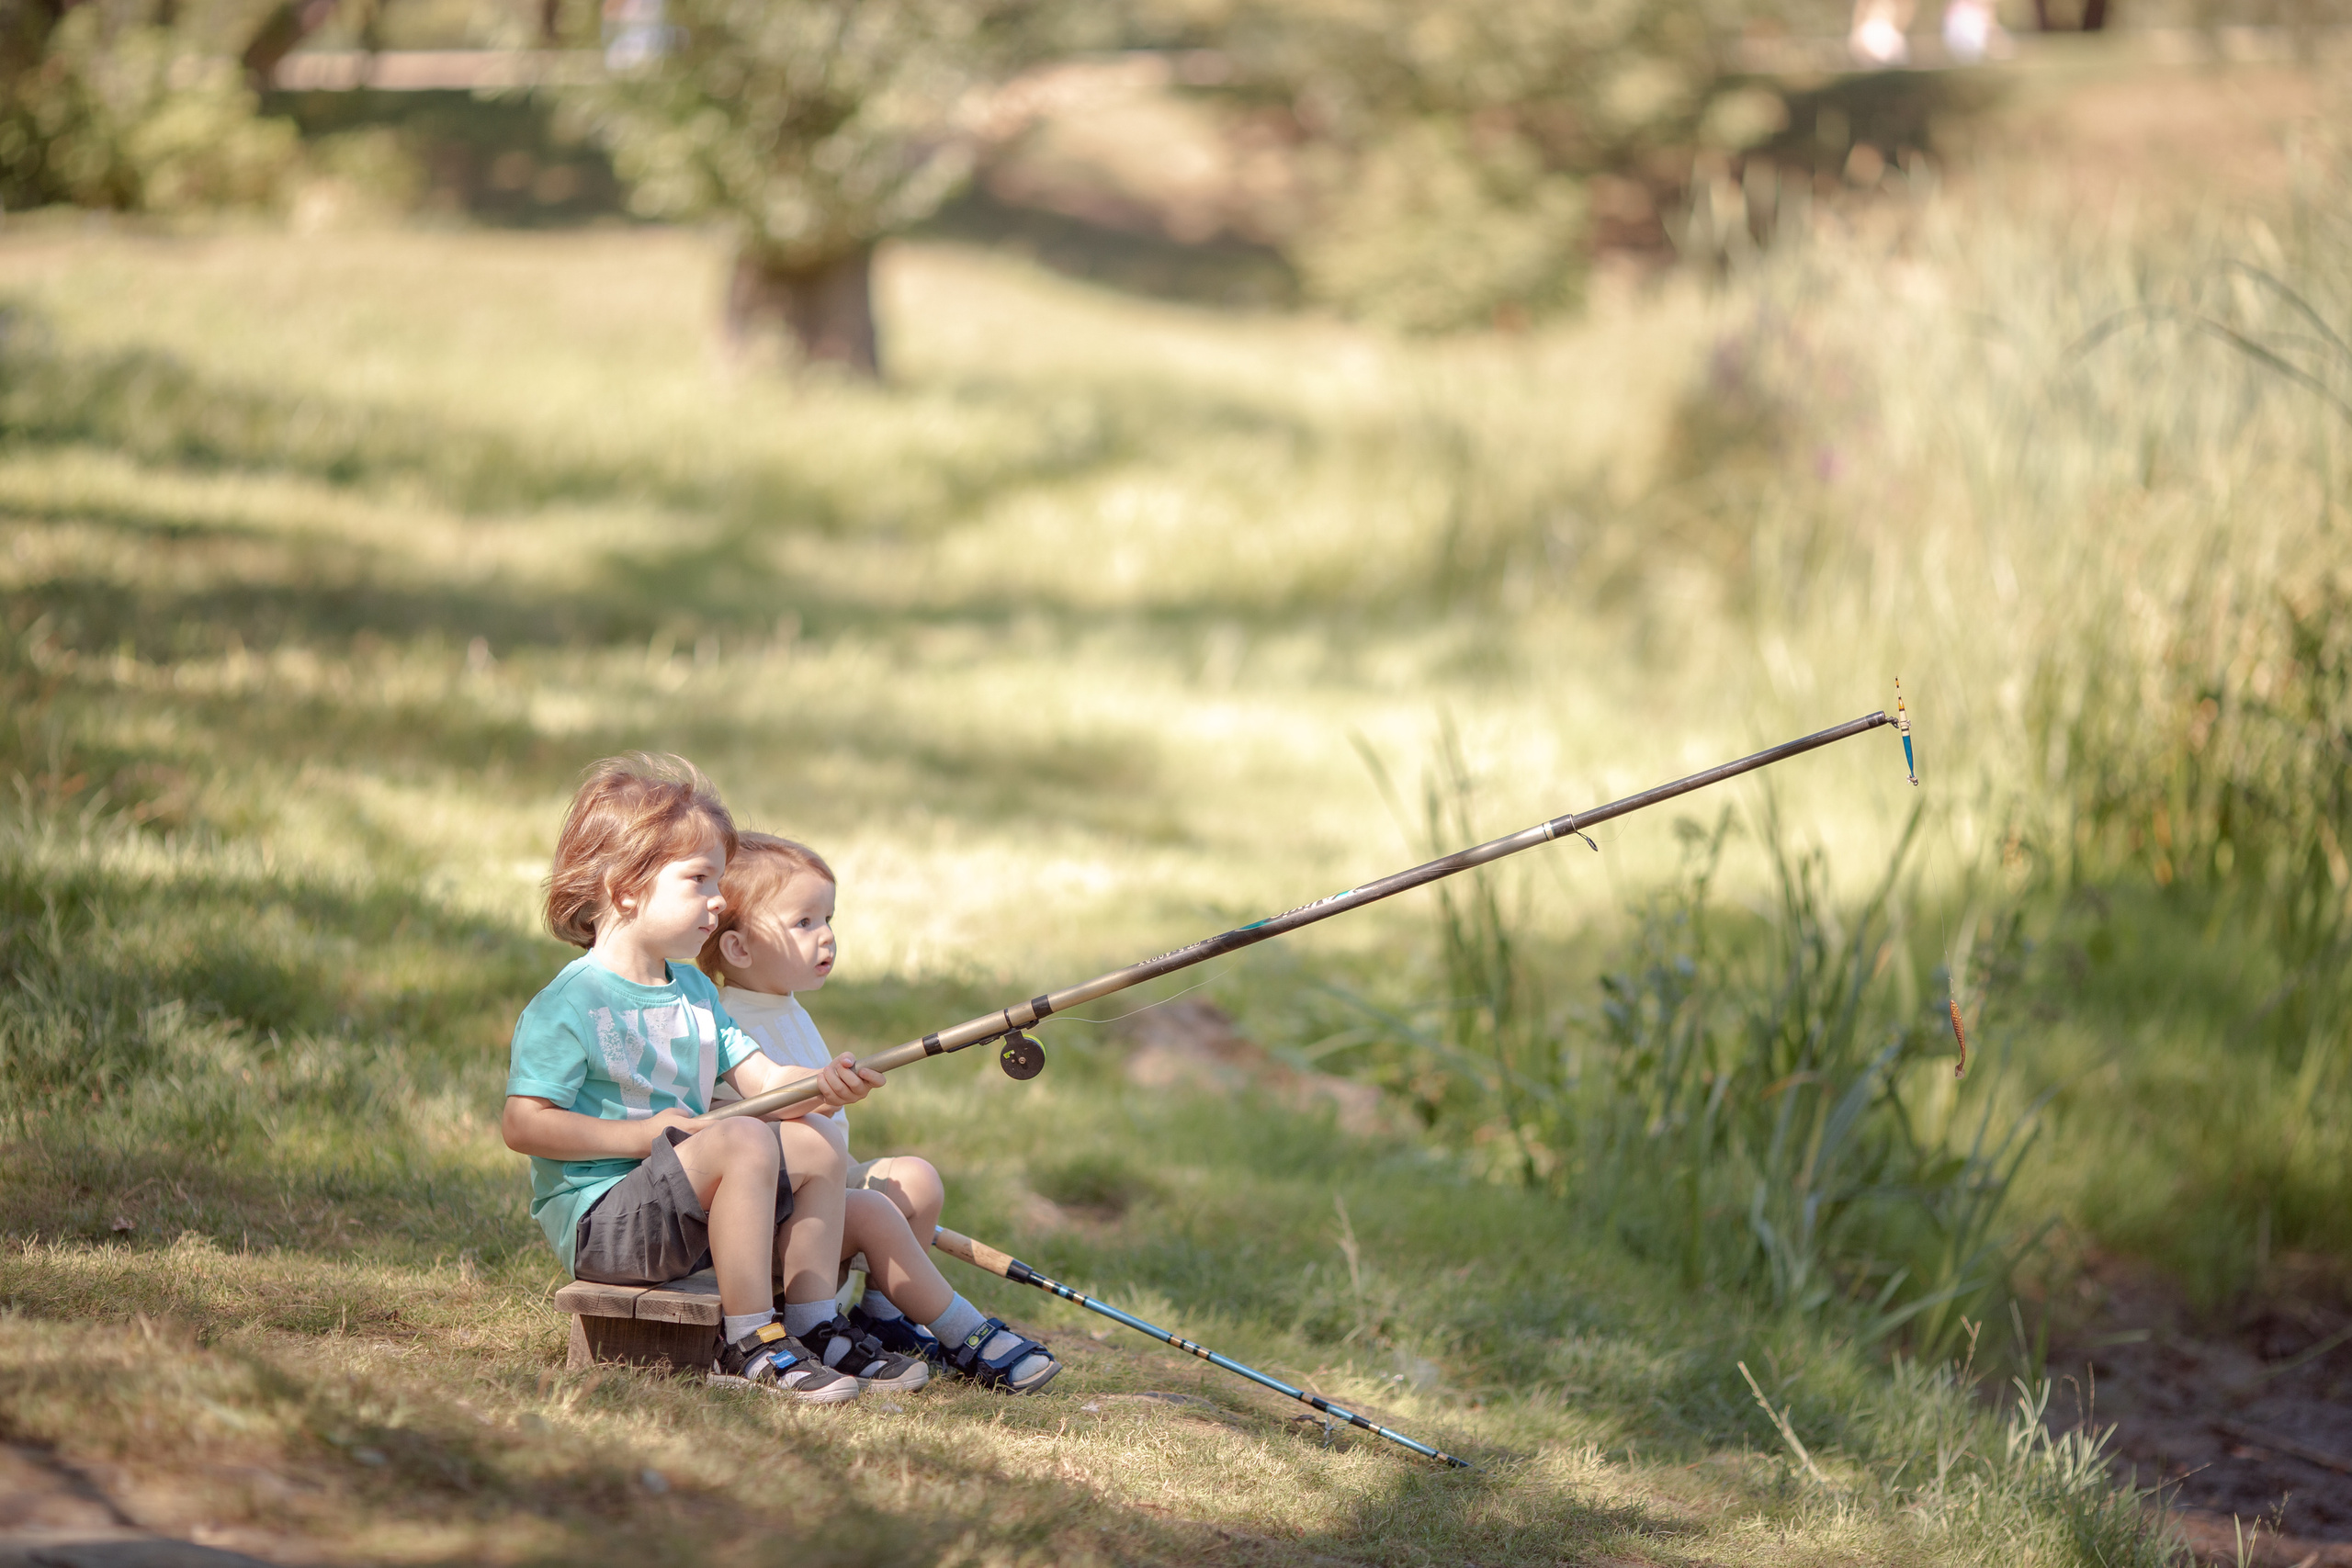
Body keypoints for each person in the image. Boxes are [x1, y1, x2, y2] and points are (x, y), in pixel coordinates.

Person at [500, 755, 1057, 1403]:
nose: (718, 899)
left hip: (690, 1216)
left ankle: (817, 1326)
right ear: (624, 889)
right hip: (608, 1224)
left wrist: (820, 1082)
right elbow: (523, 1124)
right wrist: (644, 1134)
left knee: (814, 1137)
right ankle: (749, 1341)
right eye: (699, 879)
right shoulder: (570, 1003)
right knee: (743, 1138)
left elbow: (764, 1077)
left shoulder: (692, 991)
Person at [700, 830, 1057, 1392]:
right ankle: (968, 1334)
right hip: (767, 1221)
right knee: (871, 1213)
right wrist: (817, 1098)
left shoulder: (784, 1006)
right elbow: (740, 1130)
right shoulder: (727, 1020)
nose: (827, 936)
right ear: (739, 949)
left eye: (828, 919)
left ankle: (882, 1319)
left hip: (815, 1194)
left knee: (916, 1180)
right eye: (803, 923)